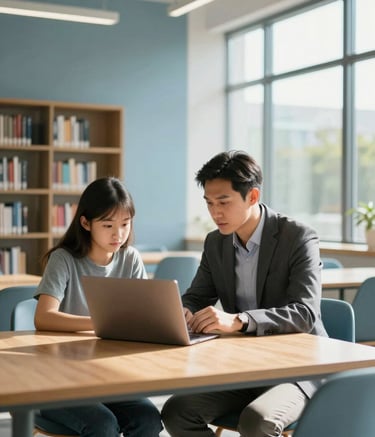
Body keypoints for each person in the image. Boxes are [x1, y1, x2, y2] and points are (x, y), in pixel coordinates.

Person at [161, 150, 327, 437]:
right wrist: (184, 310)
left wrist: (240, 321)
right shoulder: (216, 242)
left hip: (297, 369)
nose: (215, 213)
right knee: (177, 411)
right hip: (246, 368)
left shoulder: (298, 237)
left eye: (223, 202)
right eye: (209, 203)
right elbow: (197, 295)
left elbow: (305, 313)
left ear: (252, 196)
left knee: (257, 421)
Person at [34, 176, 162, 437]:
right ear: (86, 222)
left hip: (110, 377)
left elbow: (140, 316)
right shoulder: (64, 259)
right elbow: (43, 317)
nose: (119, 234)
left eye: (125, 224)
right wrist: (100, 323)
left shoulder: (130, 258)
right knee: (102, 425)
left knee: (148, 418)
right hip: (60, 380)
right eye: (108, 225)